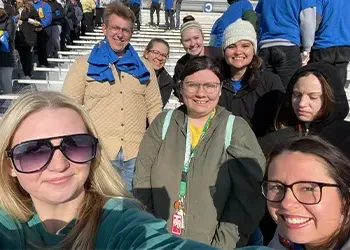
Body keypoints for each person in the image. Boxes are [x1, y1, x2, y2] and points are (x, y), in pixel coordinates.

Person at [0, 90, 225, 249]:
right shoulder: (6, 225)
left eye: (76, 144)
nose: (59, 165)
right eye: (34, 151)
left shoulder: (119, 222)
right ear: (10, 164)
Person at [133, 56, 266, 249]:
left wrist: (220, 246)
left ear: (220, 89)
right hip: (161, 242)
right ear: (180, 87)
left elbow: (247, 199)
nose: (201, 93)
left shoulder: (235, 129)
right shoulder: (163, 123)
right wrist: (153, 233)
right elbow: (141, 183)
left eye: (210, 85)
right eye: (192, 84)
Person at [62, 2, 162, 191]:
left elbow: (154, 109)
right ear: (104, 29)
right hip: (100, 154)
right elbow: (68, 108)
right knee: (100, 209)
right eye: (115, 28)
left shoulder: (145, 67)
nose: (120, 34)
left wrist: (155, 146)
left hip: (137, 153)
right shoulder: (83, 65)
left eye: (126, 30)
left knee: (133, 209)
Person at [262, 136, 350, 249]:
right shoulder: (283, 236)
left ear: (345, 198)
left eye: (308, 189)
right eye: (277, 187)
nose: (286, 204)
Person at [259, 62, 350, 158]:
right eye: (297, 95)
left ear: (330, 98)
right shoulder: (276, 134)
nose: (302, 103)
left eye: (313, 97)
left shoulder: (345, 138)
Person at [218, 19, 285, 137]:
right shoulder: (214, 81)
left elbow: (279, 124)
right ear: (224, 51)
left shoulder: (270, 82)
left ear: (253, 50)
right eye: (232, 46)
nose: (238, 51)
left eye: (245, 46)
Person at [256, 0, 317, 87]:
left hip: (265, 46)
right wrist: (307, 49)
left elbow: (258, 19)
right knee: (289, 90)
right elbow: (307, 22)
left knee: (265, 89)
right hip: (288, 45)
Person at [309, 0, 350, 87]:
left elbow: (314, 21)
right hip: (344, 45)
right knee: (338, 87)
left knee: (320, 86)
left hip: (322, 45)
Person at [173, 17, 205, 95]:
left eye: (196, 38)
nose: (193, 44)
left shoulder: (218, 56)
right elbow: (177, 90)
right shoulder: (181, 64)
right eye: (187, 40)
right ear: (181, 42)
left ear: (203, 37)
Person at [15, 0, 41, 79]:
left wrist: (27, 20)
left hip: (29, 35)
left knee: (27, 55)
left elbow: (38, 22)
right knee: (20, 55)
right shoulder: (14, 9)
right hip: (18, 36)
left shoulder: (30, 8)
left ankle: (27, 74)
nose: (18, 1)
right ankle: (22, 74)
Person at [143, 38, 174, 107]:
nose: (160, 58)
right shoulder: (131, 71)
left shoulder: (167, 82)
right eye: (156, 53)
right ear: (146, 53)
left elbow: (158, 107)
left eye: (164, 55)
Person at [0, 0, 16, 94]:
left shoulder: (9, 20)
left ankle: (8, 102)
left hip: (6, 54)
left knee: (6, 81)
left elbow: (10, 36)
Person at [32, 0, 52, 67]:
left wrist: (41, 26)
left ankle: (43, 62)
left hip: (43, 29)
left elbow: (49, 18)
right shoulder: (30, 5)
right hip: (32, 28)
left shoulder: (44, 5)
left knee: (42, 46)